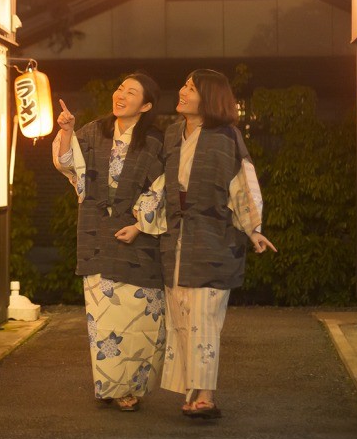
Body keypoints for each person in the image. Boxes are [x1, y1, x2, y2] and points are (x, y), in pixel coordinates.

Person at [160, 69, 276, 420]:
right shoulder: (171, 135)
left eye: (191, 88)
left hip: (213, 238)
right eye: (183, 84)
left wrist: (253, 228)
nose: (182, 91)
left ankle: (206, 393)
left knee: (206, 318)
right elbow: (158, 185)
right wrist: (139, 222)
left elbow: (242, 182)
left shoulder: (226, 137)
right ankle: (190, 389)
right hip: (177, 239)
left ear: (208, 98)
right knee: (181, 316)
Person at [53, 72, 166, 412]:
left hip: (137, 237)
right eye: (120, 88)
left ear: (145, 105)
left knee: (143, 315)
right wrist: (67, 130)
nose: (121, 95)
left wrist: (140, 225)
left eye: (131, 92)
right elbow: (68, 164)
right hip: (97, 231)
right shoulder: (92, 131)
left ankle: (133, 386)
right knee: (104, 319)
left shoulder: (154, 142)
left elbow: (161, 187)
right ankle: (112, 387)